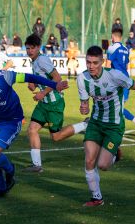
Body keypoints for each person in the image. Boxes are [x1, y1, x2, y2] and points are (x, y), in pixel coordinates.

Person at [0, 55, 68, 198]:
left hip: (12, 121)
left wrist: (54, 85)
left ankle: (10, 169)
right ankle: (1, 188)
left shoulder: (6, 76)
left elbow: (30, 77)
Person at [73, 45, 135, 206]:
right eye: (88, 62)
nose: (91, 66)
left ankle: (115, 155)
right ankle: (97, 198)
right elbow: (84, 104)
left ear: (102, 62)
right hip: (95, 123)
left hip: (114, 126)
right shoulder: (82, 79)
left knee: (102, 165)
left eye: (95, 63)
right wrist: (84, 107)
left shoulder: (115, 76)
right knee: (89, 160)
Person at [23, 34, 90, 173]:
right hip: (44, 104)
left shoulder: (42, 60)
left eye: (32, 48)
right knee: (32, 129)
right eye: (27, 48)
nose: (29, 51)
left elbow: (57, 79)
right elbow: (40, 80)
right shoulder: (34, 61)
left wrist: (42, 93)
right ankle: (37, 165)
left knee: (56, 136)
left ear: (38, 48)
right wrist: (33, 84)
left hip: (54, 103)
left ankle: (85, 124)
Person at [106, 28, 135, 136]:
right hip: (126, 79)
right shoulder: (125, 49)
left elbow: (108, 64)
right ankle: (133, 123)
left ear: (113, 37)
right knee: (117, 106)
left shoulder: (112, 47)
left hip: (116, 81)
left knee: (114, 106)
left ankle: (131, 123)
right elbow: (127, 66)